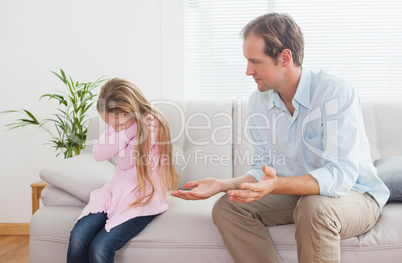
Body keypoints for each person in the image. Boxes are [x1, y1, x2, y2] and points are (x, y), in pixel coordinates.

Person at [171, 13, 390, 263]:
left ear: (284, 58)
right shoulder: (258, 101)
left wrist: (276, 185)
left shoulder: (334, 93)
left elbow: (340, 175)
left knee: (314, 208)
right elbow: (262, 169)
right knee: (228, 207)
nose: (248, 71)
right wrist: (224, 184)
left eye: (255, 61)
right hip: (300, 194)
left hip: (355, 194)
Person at [67, 78, 178, 263]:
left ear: (131, 113)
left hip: (142, 197)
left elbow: (126, 161)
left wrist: (132, 130)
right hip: (115, 192)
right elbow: (98, 152)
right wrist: (126, 130)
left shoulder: (152, 126)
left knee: (100, 248)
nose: (113, 128)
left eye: (118, 124)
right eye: (109, 125)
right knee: (78, 237)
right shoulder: (120, 125)